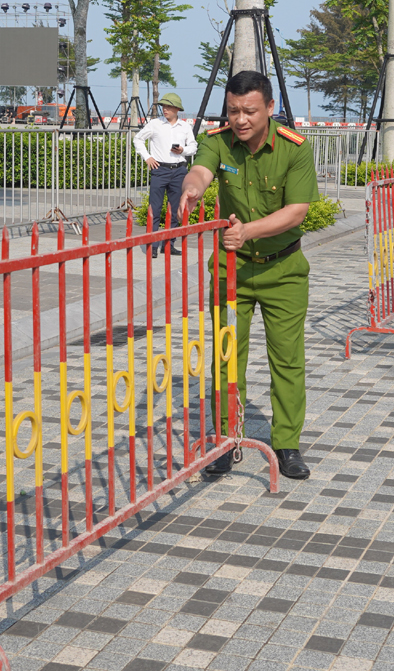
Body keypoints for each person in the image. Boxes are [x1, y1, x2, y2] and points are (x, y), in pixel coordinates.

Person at [177, 70, 318, 481]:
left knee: (287, 360)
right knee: (227, 357)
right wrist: (192, 187)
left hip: (283, 270)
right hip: (230, 271)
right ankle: (225, 440)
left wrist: (248, 231)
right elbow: (201, 171)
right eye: (233, 111)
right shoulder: (217, 142)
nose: (240, 120)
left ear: (269, 109)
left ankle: (287, 443)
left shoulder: (294, 149)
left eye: (249, 111)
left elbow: (297, 211)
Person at [134, 93, 197, 256]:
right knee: (154, 208)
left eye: (169, 106)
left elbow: (194, 146)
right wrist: (147, 157)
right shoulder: (155, 124)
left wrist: (183, 150)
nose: (165, 109)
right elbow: (138, 139)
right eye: (163, 106)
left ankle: (169, 244)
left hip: (179, 170)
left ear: (177, 109)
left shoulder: (185, 127)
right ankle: (153, 246)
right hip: (160, 170)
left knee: (175, 209)